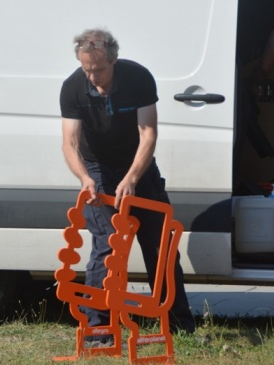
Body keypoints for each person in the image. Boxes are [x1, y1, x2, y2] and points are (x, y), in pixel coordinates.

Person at [59, 28, 195, 339]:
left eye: (99, 69)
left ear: (114, 60)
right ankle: (99, 329)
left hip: (138, 165)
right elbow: (70, 143)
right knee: (107, 244)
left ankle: (178, 326)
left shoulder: (138, 78)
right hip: (97, 166)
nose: (92, 77)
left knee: (161, 245)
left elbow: (148, 133)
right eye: (86, 69)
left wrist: (132, 178)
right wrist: (85, 178)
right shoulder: (73, 87)